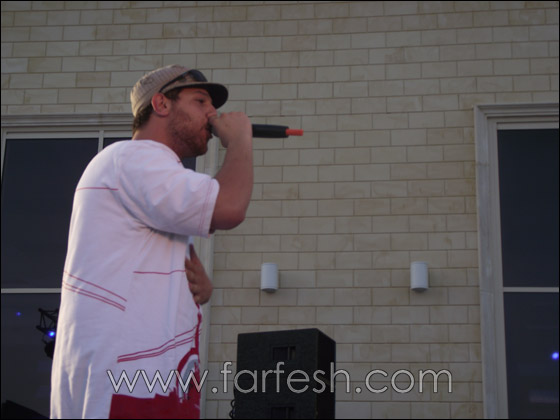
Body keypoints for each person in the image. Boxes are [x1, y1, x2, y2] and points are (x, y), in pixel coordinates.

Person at [50, 65, 253, 419]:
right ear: (161, 104)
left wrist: (195, 289)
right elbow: (229, 207)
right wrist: (239, 142)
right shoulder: (135, 158)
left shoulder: (149, 173)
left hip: (145, 383)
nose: (212, 114)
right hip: (124, 388)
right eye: (200, 101)